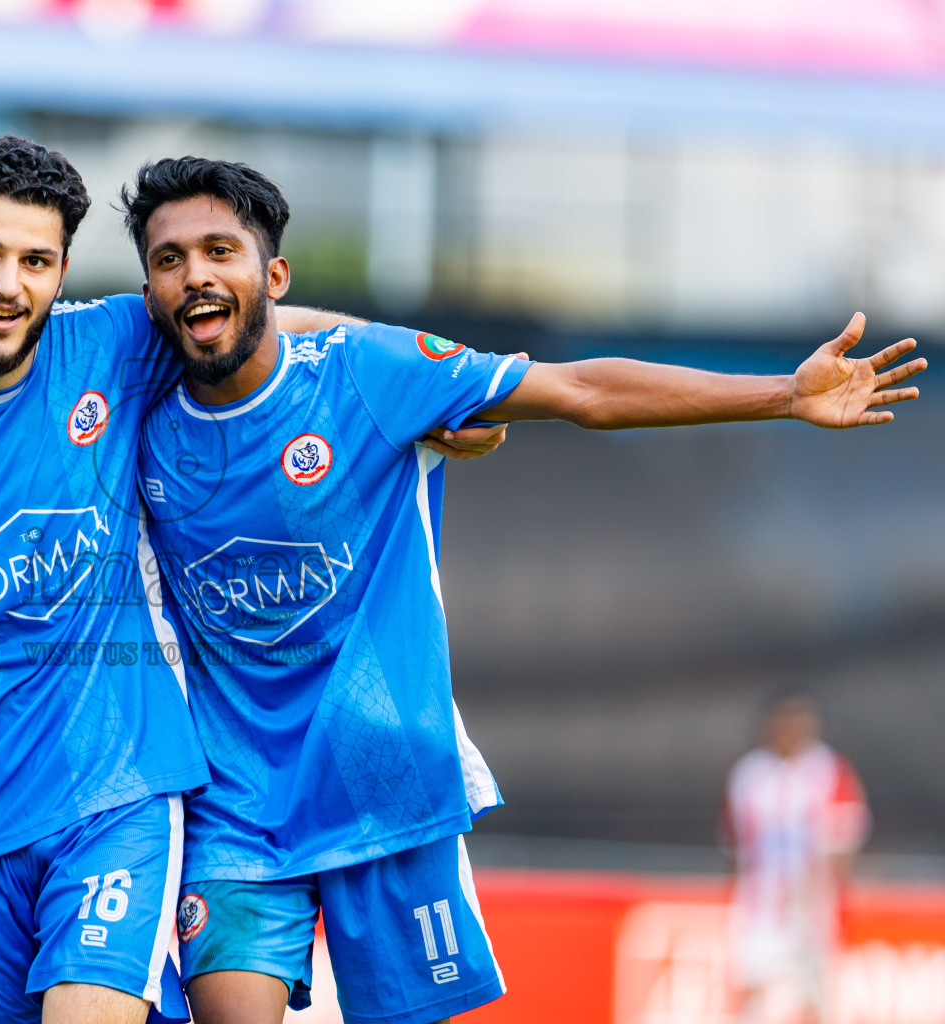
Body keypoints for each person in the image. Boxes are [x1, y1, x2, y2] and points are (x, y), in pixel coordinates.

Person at [121, 156, 924, 1024]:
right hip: (234, 813)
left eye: (219, 250)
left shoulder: (367, 371)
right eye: (170, 260)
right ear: (149, 287)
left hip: (386, 788)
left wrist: (781, 394)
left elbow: (582, 389)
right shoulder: (128, 384)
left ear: (272, 273)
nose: (196, 273)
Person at [0, 136, 508, 1024]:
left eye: (36, 260)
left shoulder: (112, 344)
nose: (7, 284)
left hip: (119, 796)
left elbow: (257, 315)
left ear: (62, 271)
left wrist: (432, 384)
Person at [722, 693, 870, 1024]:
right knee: (753, 984)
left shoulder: (829, 771)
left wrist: (819, 891)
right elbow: (734, 844)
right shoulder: (749, 775)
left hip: (811, 903)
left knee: (815, 991)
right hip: (760, 904)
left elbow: (845, 839)